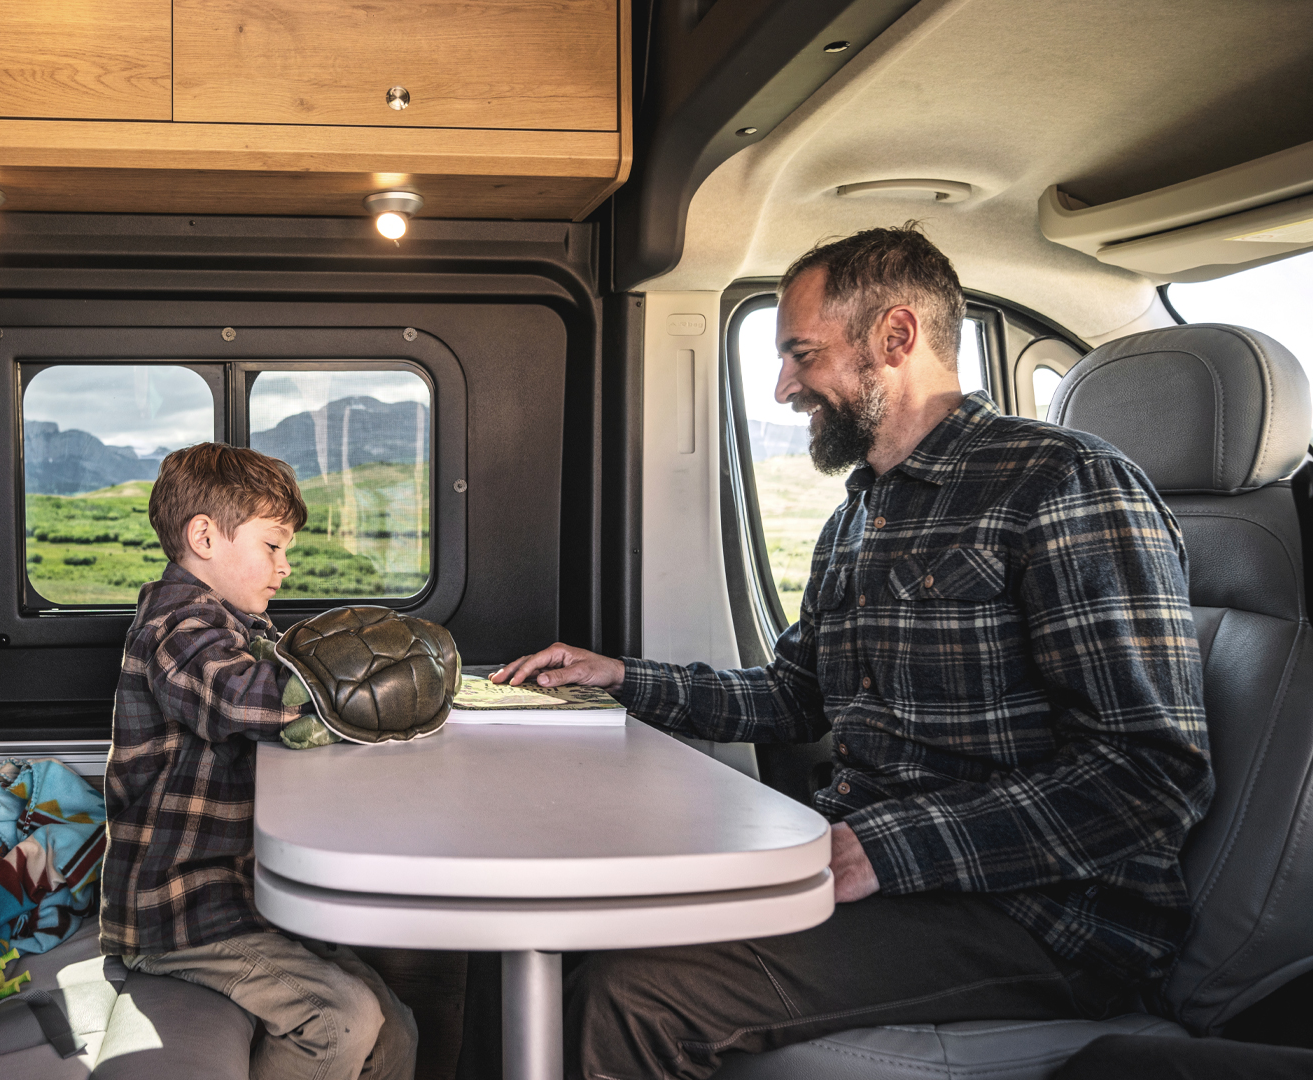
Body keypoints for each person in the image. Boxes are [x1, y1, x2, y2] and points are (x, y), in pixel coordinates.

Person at [494, 225, 1214, 1079]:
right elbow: (795, 698)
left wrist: (887, 846)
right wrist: (617, 677)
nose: (783, 385)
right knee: (577, 925)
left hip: (1040, 912)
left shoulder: (1064, 485)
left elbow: (1148, 774)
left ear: (895, 338)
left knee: (636, 995)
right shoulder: (858, 517)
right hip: (878, 865)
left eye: (803, 355)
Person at [99, 442, 418, 1080]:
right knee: (340, 1018)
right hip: (178, 911)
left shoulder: (234, 625)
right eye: (273, 546)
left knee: (397, 1026)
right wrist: (368, 696)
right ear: (205, 537)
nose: (286, 567)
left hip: (238, 896)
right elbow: (246, 700)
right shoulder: (176, 630)